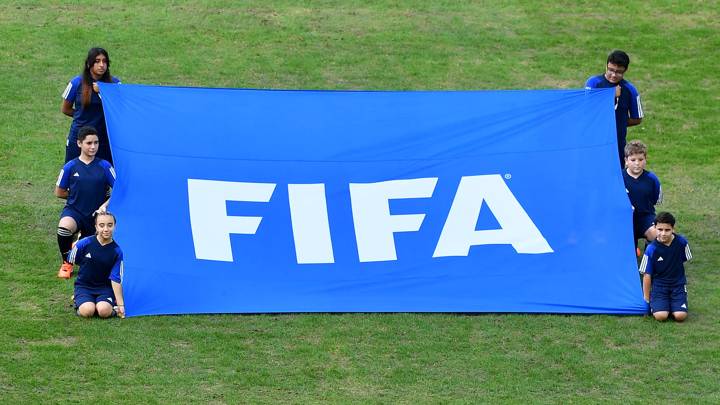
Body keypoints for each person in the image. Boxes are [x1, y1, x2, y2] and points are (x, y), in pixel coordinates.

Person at [55, 126, 116, 278]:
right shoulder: (70, 166)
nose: (93, 146)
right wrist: (76, 195)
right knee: (64, 228)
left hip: (97, 215)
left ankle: (81, 241)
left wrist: (104, 205)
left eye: (96, 143)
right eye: (89, 143)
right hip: (75, 211)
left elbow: (120, 190)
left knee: (91, 261)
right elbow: (59, 192)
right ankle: (66, 262)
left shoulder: (105, 166)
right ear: (79, 143)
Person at [61, 47, 120, 164]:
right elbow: (65, 109)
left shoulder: (115, 84)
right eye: (97, 61)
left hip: (104, 138)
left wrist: (103, 92)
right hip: (79, 136)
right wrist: (82, 117)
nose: (101, 65)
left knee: (104, 174)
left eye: (104, 61)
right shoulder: (76, 83)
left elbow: (119, 109)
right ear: (89, 64)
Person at [585, 50, 644, 167]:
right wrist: (611, 96)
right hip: (593, 142)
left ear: (625, 70)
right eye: (611, 70)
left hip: (617, 145)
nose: (613, 74)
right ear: (606, 66)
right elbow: (587, 110)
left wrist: (618, 122)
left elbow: (637, 118)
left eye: (618, 72)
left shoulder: (630, 90)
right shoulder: (593, 83)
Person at [69, 211, 124, 318]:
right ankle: (79, 301)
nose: (106, 229)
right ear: (96, 227)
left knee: (104, 311)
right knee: (87, 311)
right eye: (101, 225)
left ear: (115, 226)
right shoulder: (85, 243)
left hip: (105, 289)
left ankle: (111, 307)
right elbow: (72, 258)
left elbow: (116, 278)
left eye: (110, 225)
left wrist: (121, 304)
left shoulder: (117, 251)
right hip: (84, 286)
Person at [640, 212, 692, 322]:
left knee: (680, 316)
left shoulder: (682, 243)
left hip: (678, 285)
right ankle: (660, 305)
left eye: (667, 230)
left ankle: (676, 303)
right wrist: (646, 300)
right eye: (660, 229)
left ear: (673, 228)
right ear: (654, 228)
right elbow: (647, 275)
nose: (663, 233)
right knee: (661, 316)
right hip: (659, 286)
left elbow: (682, 260)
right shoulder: (651, 249)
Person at [623, 140, 662, 251]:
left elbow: (656, 200)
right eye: (633, 160)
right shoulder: (619, 179)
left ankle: (649, 248)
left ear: (645, 160)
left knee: (658, 235)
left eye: (640, 159)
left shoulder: (652, 179)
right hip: (625, 219)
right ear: (626, 161)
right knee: (628, 251)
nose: (637, 163)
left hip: (645, 217)